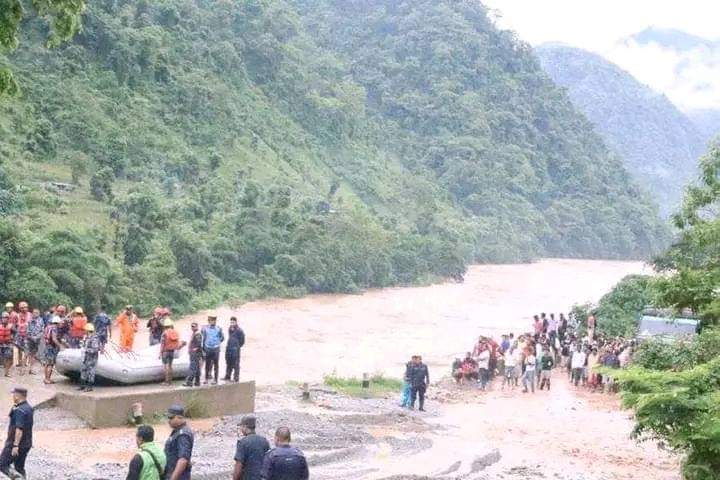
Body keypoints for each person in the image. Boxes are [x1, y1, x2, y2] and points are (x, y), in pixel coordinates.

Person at [0, 387, 33, 479]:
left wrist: (15, 446)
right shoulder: (28, 408)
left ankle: (18, 478)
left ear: (18, 396)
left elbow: (19, 429)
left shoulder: (20, 410)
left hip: (15, 444)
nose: (13, 396)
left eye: (14, 394)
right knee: (19, 467)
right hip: (27, 443)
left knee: (2, 464)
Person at [233, 416, 270, 480]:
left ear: (245, 427)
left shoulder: (243, 443)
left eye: (241, 426)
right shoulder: (264, 441)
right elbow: (268, 462)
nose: (240, 429)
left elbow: (239, 465)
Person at [164, 405, 194, 480]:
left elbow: (183, 460)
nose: (168, 420)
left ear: (179, 417)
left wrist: (173, 478)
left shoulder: (183, 435)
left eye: (171, 418)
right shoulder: (177, 431)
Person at [159, 319, 184, 386]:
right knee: (170, 366)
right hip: (172, 352)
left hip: (165, 352)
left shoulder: (164, 333)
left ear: (165, 326)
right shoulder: (175, 332)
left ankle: (167, 382)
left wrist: (160, 353)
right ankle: (170, 381)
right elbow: (177, 343)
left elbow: (162, 344)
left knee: (166, 367)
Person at [201, 315, 224, 385]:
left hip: (216, 349)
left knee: (216, 364)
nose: (213, 322)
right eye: (211, 320)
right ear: (209, 321)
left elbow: (222, 338)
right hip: (208, 348)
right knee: (207, 364)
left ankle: (215, 379)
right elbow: (203, 337)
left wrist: (217, 342)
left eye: (214, 320)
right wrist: (203, 347)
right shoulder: (205, 329)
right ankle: (206, 379)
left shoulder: (219, 329)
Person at [79, 323, 102, 392]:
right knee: (83, 371)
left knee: (90, 372)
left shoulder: (94, 338)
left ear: (88, 330)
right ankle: (82, 385)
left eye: (85, 330)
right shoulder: (86, 337)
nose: (84, 331)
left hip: (91, 358)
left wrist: (86, 350)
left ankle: (89, 387)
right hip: (86, 357)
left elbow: (96, 349)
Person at [43, 316, 63, 384]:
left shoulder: (48, 327)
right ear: (57, 323)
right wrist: (60, 346)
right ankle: (47, 379)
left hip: (47, 346)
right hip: (51, 347)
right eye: (60, 323)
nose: (61, 324)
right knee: (50, 364)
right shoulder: (54, 328)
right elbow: (54, 339)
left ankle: (46, 378)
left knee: (47, 363)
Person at [224, 317, 245, 383]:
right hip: (229, 348)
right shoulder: (230, 329)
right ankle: (227, 376)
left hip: (235, 349)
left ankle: (236, 378)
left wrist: (237, 346)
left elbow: (242, 341)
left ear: (236, 322)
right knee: (228, 362)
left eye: (233, 322)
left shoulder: (240, 330)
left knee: (236, 364)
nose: (232, 323)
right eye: (231, 322)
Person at [183, 322, 203, 388]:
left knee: (192, 367)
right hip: (195, 353)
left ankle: (189, 381)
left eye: (194, 326)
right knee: (197, 368)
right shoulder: (194, 333)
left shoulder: (197, 334)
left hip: (195, 354)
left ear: (197, 326)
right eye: (192, 326)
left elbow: (198, 343)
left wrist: (194, 349)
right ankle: (197, 382)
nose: (193, 327)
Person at [25, 309, 44, 376]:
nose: (35, 314)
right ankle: (23, 369)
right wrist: (31, 337)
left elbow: (42, 330)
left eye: (37, 313)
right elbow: (27, 330)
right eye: (34, 312)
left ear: (39, 313)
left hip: (37, 340)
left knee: (33, 354)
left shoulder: (41, 320)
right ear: (32, 313)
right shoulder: (29, 320)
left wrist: (37, 337)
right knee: (26, 353)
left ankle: (31, 369)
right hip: (29, 340)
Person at [14, 302, 31, 371]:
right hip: (19, 335)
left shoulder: (30, 315)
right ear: (20, 308)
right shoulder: (17, 315)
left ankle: (25, 362)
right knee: (19, 349)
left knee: (26, 349)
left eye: (25, 307)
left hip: (27, 335)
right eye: (22, 308)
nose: (24, 309)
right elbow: (14, 324)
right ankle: (20, 362)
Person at [0, 313, 15, 378]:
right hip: (0, 344)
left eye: (6, 318)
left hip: (8, 344)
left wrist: (12, 337)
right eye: (3, 318)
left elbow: (15, 333)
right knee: (3, 359)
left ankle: (7, 372)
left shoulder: (11, 326)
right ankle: (5, 369)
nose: (4, 319)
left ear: (8, 319)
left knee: (8, 358)